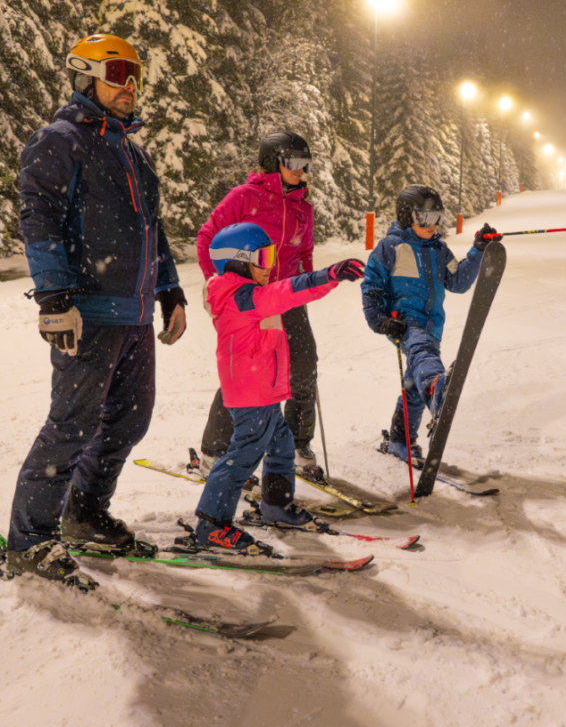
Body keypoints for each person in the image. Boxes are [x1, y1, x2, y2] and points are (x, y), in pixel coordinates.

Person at [6, 34, 187, 587]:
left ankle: (84, 512)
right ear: (84, 76)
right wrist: (54, 295)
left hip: (132, 313)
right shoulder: (59, 140)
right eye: (116, 72)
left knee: (131, 419)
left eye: (136, 74)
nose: (130, 86)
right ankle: (31, 539)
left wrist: (171, 289)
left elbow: (150, 229)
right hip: (86, 309)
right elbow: (38, 217)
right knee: (72, 425)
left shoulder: (133, 151)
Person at [192, 223, 364, 550]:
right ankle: (211, 524)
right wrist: (328, 275)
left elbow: (282, 292)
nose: (269, 265)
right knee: (242, 457)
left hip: (264, 391)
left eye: (271, 255)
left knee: (282, 443)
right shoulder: (240, 296)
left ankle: (276, 505)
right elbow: (288, 291)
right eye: (262, 257)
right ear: (238, 261)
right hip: (250, 392)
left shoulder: (250, 293)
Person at [196, 131, 324, 478]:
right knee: (246, 375)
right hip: (251, 300)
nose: (301, 170)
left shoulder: (303, 207)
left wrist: (308, 285)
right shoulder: (243, 198)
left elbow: (304, 253)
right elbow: (208, 236)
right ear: (272, 162)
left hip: (288, 296)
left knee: (303, 366)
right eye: (293, 163)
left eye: (305, 164)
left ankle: (297, 444)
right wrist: (215, 283)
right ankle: (214, 451)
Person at [361, 184, 499, 462]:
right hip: (404, 323)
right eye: (424, 218)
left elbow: (457, 281)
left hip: (432, 326)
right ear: (405, 216)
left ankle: (401, 440)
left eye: (437, 218)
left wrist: (477, 251)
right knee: (423, 354)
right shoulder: (391, 247)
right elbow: (372, 288)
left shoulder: (439, 249)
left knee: (413, 382)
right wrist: (381, 322)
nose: (432, 225)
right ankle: (436, 389)